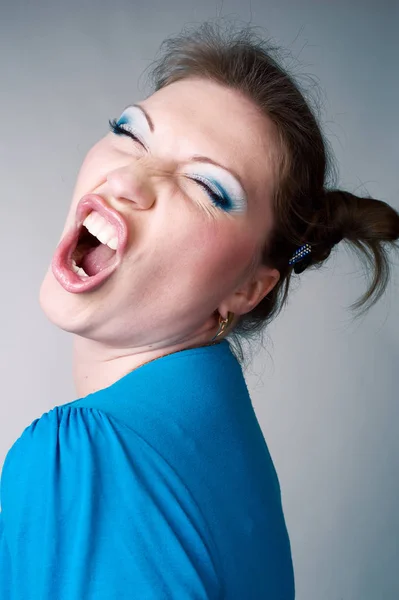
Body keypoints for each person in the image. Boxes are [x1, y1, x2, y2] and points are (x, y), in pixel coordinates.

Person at [1, 21, 398, 600]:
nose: (131, 179)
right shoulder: (225, 450)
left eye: (205, 187)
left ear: (248, 290)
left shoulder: (95, 460)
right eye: (130, 134)